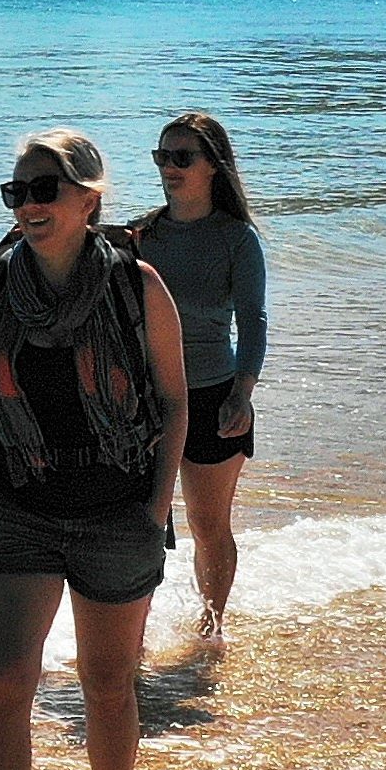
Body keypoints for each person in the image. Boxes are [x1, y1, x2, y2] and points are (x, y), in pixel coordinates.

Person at [0, 126, 185, 770]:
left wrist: (154, 505)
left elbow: (173, 400)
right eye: (16, 192)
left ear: (89, 200)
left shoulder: (136, 287)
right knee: (5, 681)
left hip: (116, 509)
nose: (27, 205)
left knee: (106, 683)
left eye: (43, 189)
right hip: (15, 506)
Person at [131, 111, 268, 681]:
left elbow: (253, 323)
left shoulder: (237, 238)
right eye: (162, 156)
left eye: (182, 157)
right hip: (147, 402)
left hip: (214, 394)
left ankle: (211, 626)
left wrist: (243, 392)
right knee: (142, 527)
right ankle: (131, 639)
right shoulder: (141, 236)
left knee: (209, 525)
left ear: (214, 165)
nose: (169, 167)